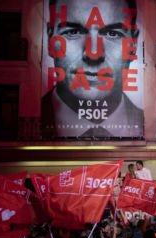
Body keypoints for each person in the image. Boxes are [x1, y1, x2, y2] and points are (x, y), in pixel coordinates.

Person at [42, 0, 144, 138]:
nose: (93, 53)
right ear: (50, 40)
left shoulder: (144, 124)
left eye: (113, 34)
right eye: (73, 32)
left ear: (134, 44)